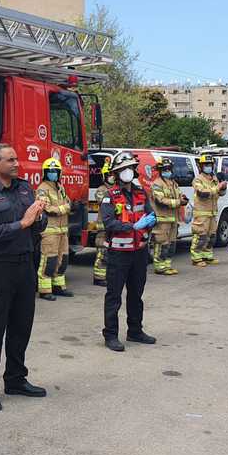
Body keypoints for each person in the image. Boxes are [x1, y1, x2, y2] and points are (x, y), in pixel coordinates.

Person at [0, 143, 48, 412]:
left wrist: (40, 217)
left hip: (25, 265)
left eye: (17, 159)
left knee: (21, 326)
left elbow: (36, 227)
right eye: (11, 160)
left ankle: (16, 379)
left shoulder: (25, 188)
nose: (17, 163)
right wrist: (24, 223)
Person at [99, 151, 157, 352]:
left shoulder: (141, 193)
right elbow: (108, 222)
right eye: (123, 169)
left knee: (136, 294)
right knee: (114, 295)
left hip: (139, 252)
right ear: (116, 173)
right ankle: (111, 335)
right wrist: (131, 227)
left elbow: (150, 215)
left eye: (130, 168)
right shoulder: (110, 196)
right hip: (118, 253)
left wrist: (150, 223)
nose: (127, 172)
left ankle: (135, 330)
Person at [36, 157, 73, 300]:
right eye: (50, 171)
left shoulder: (60, 187)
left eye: (55, 171)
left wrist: (67, 206)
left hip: (62, 230)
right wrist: (64, 208)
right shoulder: (42, 189)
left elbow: (68, 202)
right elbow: (46, 208)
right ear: (45, 172)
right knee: (49, 261)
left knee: (62, 259)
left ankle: (59, 287)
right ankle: (45, 290)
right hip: (50, 231)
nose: (53, 173)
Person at [150, 158, 187, 275]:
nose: (167, 171)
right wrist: (178, 202)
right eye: (165, 169)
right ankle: (159, 267)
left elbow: (179, 195)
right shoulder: (156, 184)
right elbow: (160, 200)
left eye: (169, 169)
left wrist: (183, 199)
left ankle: (167, 265)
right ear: (160, 171)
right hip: (162, 220)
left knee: (171, 245)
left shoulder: (173, 183)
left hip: (173, 219)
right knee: (162, 244)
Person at [190, 155, 227, 267]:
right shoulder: (198, 179)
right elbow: (202, 193)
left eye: (210, 165)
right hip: (202, 213)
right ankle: (196, 258)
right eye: (206, 165)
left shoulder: (214, 179)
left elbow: (220, 193)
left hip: (212, 213)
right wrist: (218, 187)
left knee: (211, 236)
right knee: (200, 236)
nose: (208, 167)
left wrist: (223, 187)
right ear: (201, 167)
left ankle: (207, 255)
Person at [91, 156, 114, 286]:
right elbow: (104, 202)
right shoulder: (101, 190)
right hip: (103, 227)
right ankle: (98, 278)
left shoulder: (116, 189)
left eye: (113, 174)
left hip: (113, 226)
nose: (111, 177)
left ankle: (107, 275)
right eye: (109, 175)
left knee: (111, 253)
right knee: (102, 252)